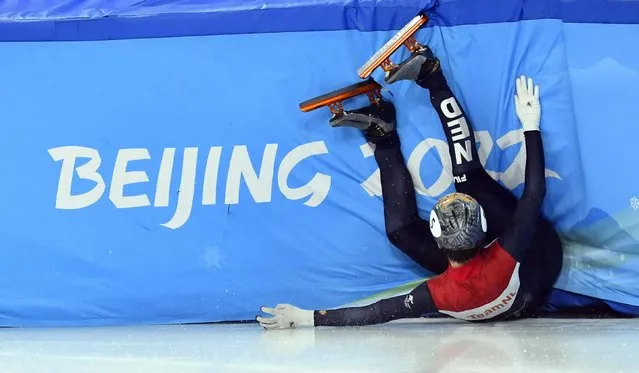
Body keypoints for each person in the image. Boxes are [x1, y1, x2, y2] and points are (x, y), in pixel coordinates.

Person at [256, 46, 563, 329]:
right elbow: (534, 194)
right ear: (484, 233)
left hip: (502, 280)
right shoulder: (507, 249)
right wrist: (530, 123)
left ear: (440, 241)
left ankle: (384, 135)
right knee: (467, 178)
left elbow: (375, 312)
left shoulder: (440, 292)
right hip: (539, 256)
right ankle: (432, 77)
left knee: (400, 231)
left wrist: (307, 318)